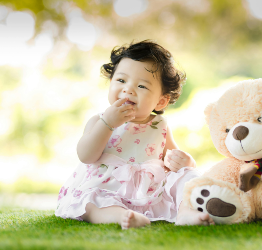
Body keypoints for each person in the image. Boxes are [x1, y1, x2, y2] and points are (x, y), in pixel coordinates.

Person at [55, 40, 214, 229]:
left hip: (150, 191)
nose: (128, 89)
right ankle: (123, 216)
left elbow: (172, 162)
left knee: (188, 177)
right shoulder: (99, 121)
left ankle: (186, 213)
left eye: (142, 86)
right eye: (121, 80)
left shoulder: (159, 125)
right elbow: (86, 156)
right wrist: (108, 123)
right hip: (108, 188)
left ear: (161, 102)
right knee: (90, 202)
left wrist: (185, 163)